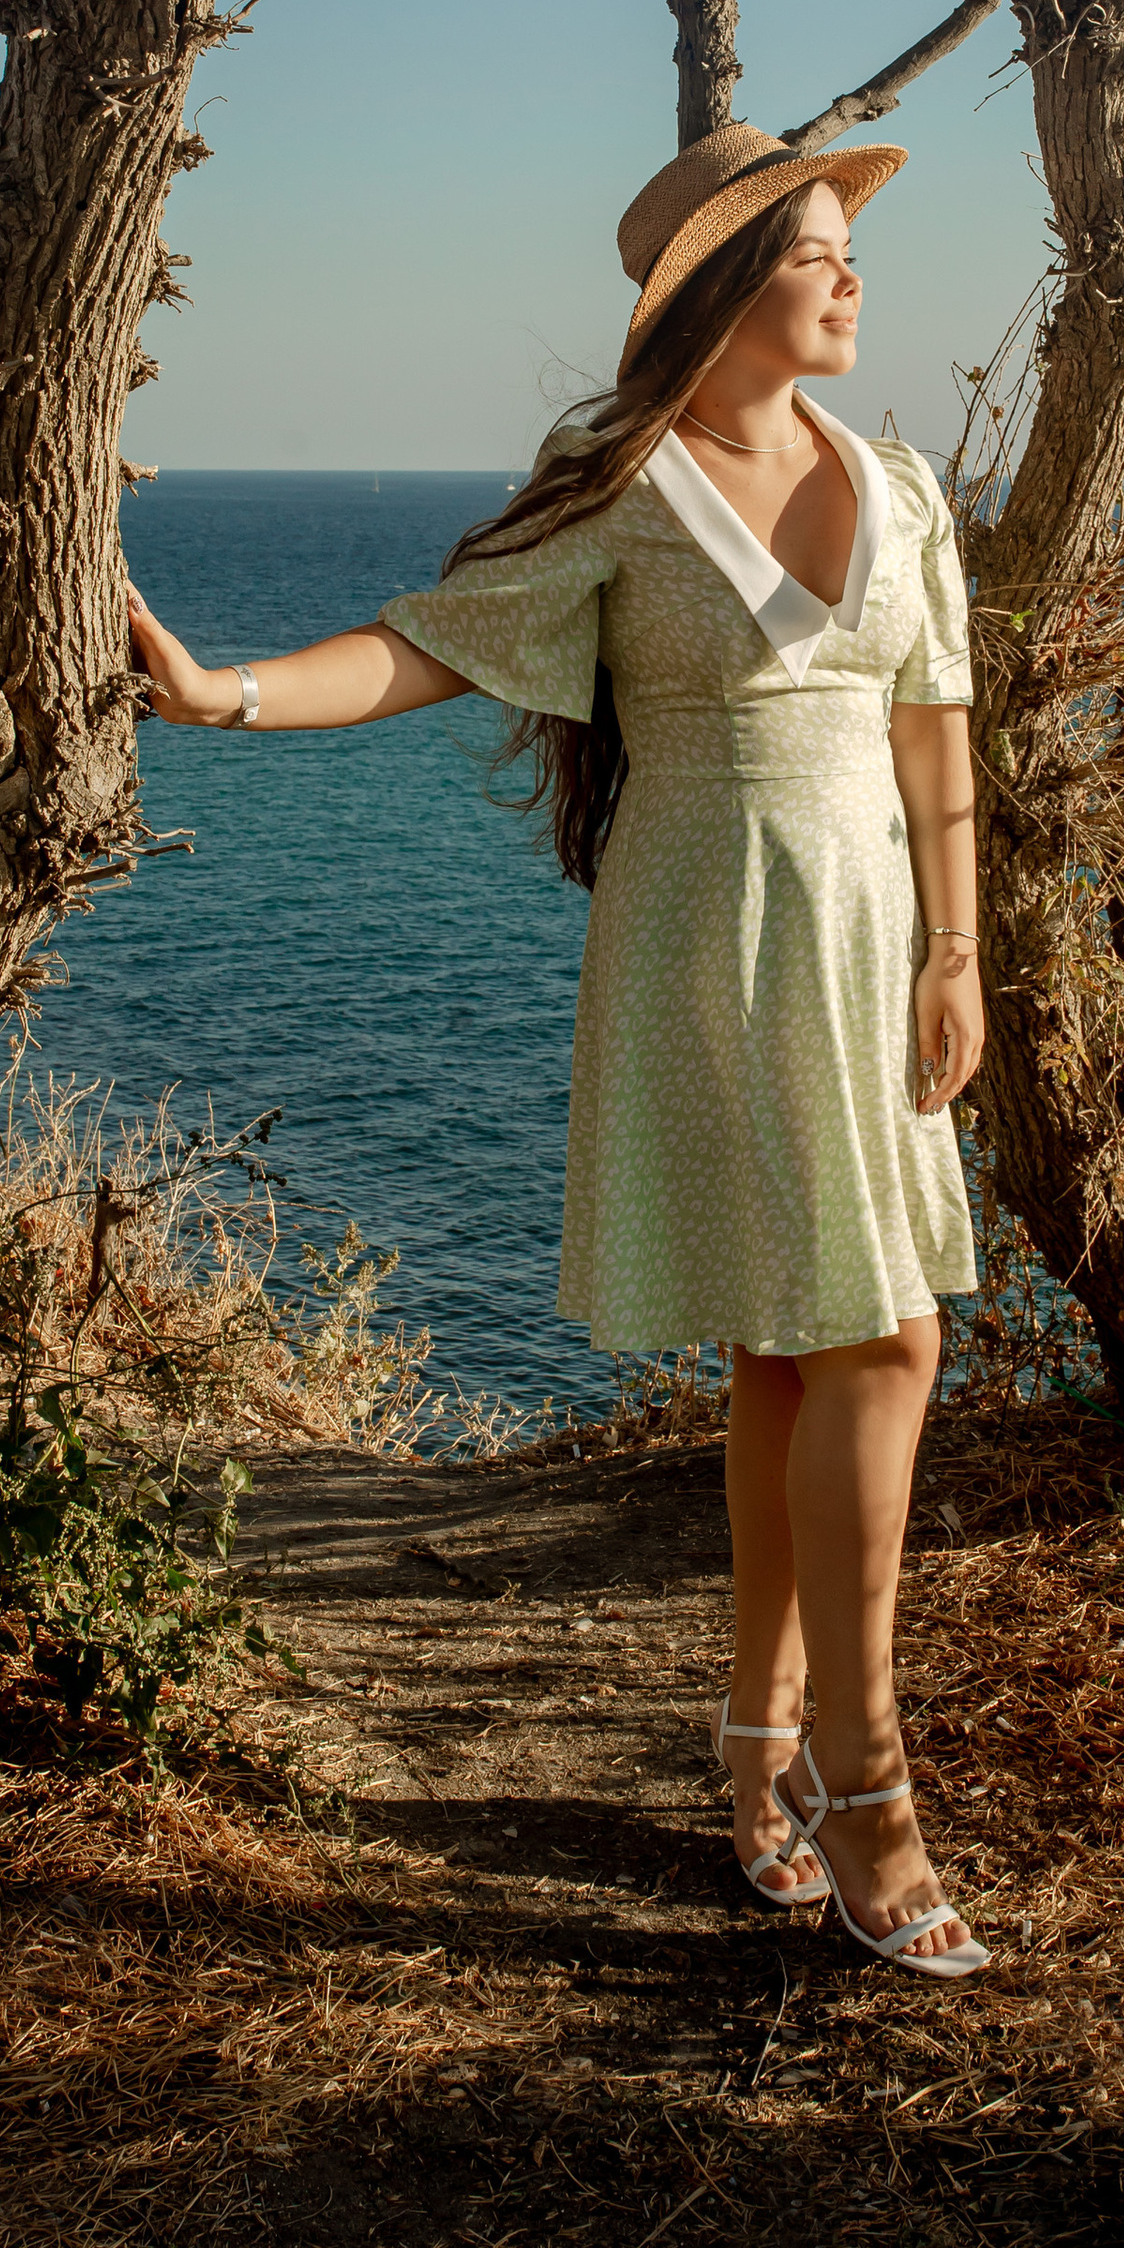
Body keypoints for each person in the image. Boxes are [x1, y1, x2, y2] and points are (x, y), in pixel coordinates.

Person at [125, 122, 990, 1978]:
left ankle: (758, 1755)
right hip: (716, 942)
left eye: (849, 249)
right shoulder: (620, 484)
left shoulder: (900, 483)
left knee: (793, 1344)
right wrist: (221, 695)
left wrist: (958, 951)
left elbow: (935, 733)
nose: (856, 277)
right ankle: (870, 1785)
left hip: (870, 947)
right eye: (824, 251)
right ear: (724, 288)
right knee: (884, 1335)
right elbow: (426, 646)